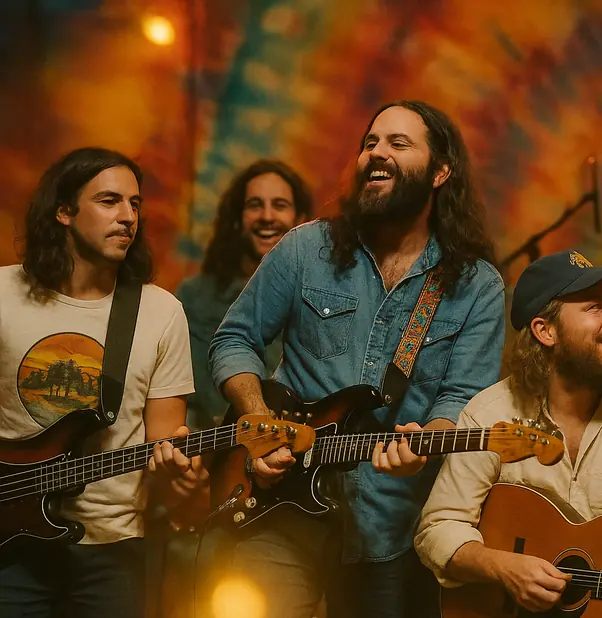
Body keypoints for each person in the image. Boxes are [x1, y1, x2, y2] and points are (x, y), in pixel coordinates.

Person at [207, 100, 505, 618]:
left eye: (398, 143)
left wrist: (426, 442)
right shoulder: (306, 249)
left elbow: (462, 397)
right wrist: (257, 420)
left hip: (390, 526)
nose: (377, 153)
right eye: (370, 143)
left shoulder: (475, 285)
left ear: (440, 172)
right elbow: (234, 339)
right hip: (279, 511)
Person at [416, 249, 602, 618]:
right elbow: (439, 527)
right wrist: (503, 567)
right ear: (546, 331)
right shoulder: (490, 414)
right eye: (594, 307)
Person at [0, 147, 203, 617]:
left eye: (135, 204)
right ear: (64, 212)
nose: (128, 216)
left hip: (114, 547)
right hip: (10, 545)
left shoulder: (160, 312)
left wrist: (183, 477)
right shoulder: (4, 295)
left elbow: (164, 446)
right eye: (109, 201)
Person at [176, 159, 313, 431]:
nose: (267, 216)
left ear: (300, 220)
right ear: (238, 219)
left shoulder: (318, 295)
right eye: (255, 205)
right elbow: (185, 400)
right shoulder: (194, 297)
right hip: (215, 445)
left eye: (280, 205)